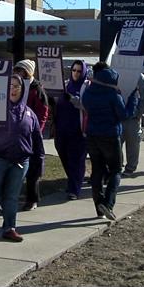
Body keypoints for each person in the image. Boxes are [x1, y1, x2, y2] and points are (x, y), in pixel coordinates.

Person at [0, 74, 45, 242]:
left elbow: (37, 141)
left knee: (11, 196)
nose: (13, 89)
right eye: (9, 86)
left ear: (22, 89)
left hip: (20, 162)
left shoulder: (29, 114)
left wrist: (39, 163)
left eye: (17, 86)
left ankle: (9, 227)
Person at [81, 62, 138, 221]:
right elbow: (124, 115)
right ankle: (108, 203)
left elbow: (85, 107)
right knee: (115, 170)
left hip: (92, 135)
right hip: (110, 136)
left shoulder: (88, 92)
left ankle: (99, 205)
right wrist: (133, 98)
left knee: (97, 171)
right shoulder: (114, 95)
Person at [13, 59, 49, 211]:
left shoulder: (37, 89)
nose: (18, 73)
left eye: (21, 71)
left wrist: (37, 130)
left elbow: (43, 111)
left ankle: (32, 199)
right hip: (15, 133)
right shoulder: (15, 86)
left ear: (28, 72)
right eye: (17, 70)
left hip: (31, 133)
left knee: (33, 168)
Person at [54, 60, 89, 200]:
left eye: (79, 71)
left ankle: (74, 189)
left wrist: (73, 100)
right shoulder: (65, 85)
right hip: (62, 129)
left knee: (77, 160)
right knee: (64, 156)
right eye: (74, 70)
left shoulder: (86, 87)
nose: (76, 73)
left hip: (79, 130)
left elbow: (87, 106)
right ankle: (73, 181)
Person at [120, 73, 144, 177]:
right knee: (117, 142)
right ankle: (119, 166)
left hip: (133, 117)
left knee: (133, 144)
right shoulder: (117, 73)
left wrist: (139, 114)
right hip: (119, 115)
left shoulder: (141, 78)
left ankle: (130, 167)